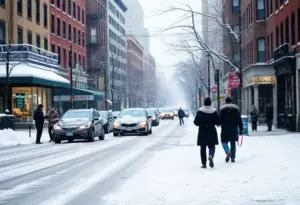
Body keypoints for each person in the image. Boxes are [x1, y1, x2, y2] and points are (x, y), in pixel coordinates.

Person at [194, 98, 220, 168]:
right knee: (212, 146)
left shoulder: (199, 112)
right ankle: (211, 155)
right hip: (211, 131)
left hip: (202, 131)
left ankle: (204, 163)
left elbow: (196, 122)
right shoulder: (214, 111)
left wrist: (201, 122)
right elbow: (218, 122)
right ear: (210, 103)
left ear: (204, 103)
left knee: (203, 147)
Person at [219, 97, 243, 163]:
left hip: (225, 129)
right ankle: (233, 157)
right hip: (233, 129)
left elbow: (219, 120)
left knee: (224, 142)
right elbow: (240, 121)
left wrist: (219, 123)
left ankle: (227, 151)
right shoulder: (236, 110)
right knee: (233, 143)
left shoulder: (222, 110)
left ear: (225, 102)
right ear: (231, 102)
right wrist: (241, 130)